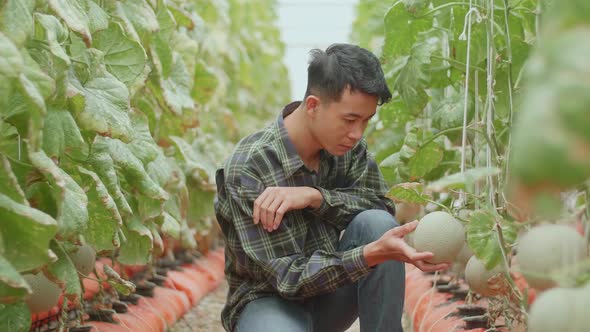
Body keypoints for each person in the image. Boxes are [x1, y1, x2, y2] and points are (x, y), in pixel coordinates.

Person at [214, 43, 449, 332]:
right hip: (269, 301)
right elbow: (288, 279)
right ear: (313, 105)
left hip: (331, 294)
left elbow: (381, 208)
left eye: (365, 121)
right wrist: (368, 255)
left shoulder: (348, 149)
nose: (357, 134)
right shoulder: (250, 168)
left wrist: (317, 198)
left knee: (377, 222)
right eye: (350, 119)